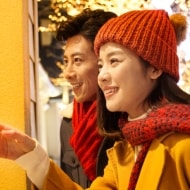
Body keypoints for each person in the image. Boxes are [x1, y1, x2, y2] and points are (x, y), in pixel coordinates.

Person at [0, 9, 190, 190]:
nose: (102, 76)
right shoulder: (123, 150)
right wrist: (29, 155)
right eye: (101, 65)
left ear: (154, 68)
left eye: (114, 61)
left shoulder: (182, 144)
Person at [56, 9, 117, 188]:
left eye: (77, 60)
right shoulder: (68, 123)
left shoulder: (127, 117)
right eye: (66, 61)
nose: (67, 73)